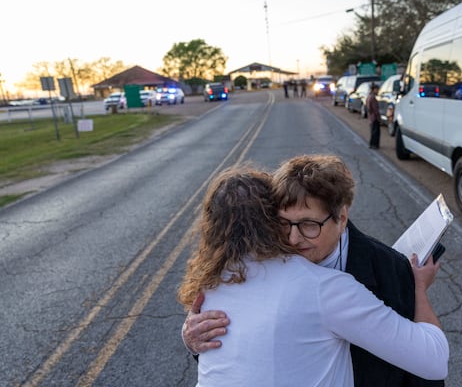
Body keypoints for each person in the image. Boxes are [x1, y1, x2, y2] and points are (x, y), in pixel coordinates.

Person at [182, 155, 447, 387]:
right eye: (284, 224)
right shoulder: (237, 273)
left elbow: (426, 366)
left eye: (309, 225)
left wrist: (417, 289)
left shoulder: (388, 268)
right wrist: (193, 339)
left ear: (341, 218)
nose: (294, 239)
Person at [366, 83, 381, 149]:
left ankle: (372, 144)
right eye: (377, 90)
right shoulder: (372, 98)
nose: (378, 91)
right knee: (376, 132)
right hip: (374, 117)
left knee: (373, 131)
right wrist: (378, 117)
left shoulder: (369, 97)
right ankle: (374, 145)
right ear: (374, 89)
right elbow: (375, 109)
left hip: (371, 117)